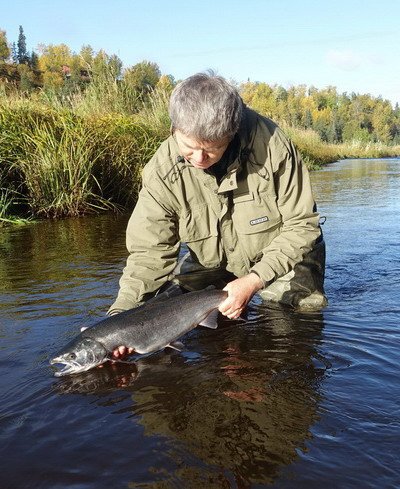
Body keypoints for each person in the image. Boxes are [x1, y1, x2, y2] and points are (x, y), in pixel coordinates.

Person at [109, 72, 327, 358]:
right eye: (189, 148)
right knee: (166, 305)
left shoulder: (273, 147)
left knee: (302, 314)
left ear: (232, 131)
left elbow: (302, 225)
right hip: (212, 259)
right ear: (174, 128)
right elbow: (149, 254)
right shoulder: (161, 173)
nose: (199, 159)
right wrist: (119, 321)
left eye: (211, 149)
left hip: (279, 254)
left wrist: (253, 280)